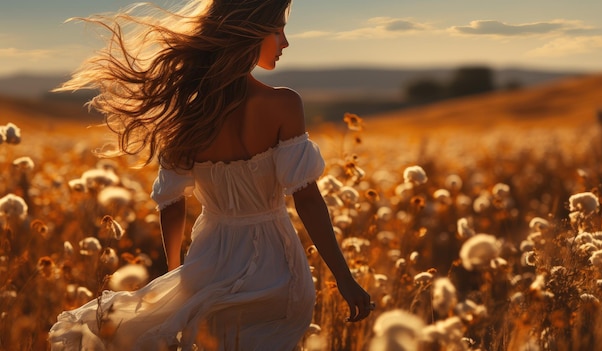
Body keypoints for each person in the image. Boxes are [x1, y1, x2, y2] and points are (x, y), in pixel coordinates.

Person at [48, 0, 373, 350]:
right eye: (277, 31)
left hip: (208, 264)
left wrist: (176, 275)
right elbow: (306, 198)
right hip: (278, 266)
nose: (285, 43)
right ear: (248, 34)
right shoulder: (284, 104)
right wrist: (344, 277)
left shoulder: (187, 116)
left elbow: (171, 204)